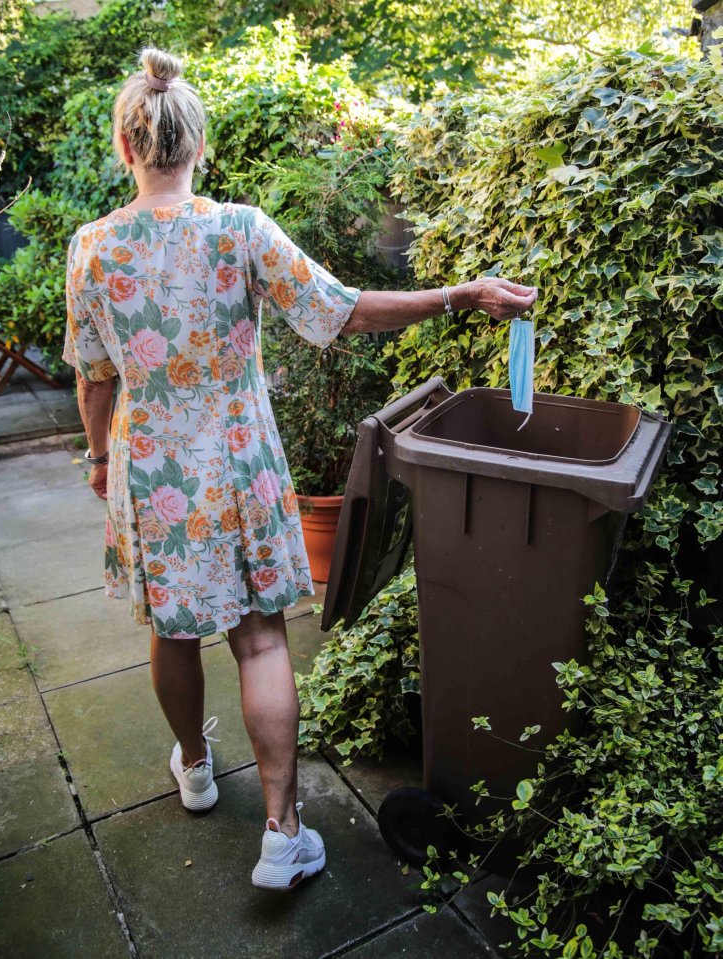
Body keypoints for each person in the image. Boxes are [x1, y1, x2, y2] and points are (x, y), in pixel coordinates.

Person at [63, 45, 538, 891]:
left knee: (171, 627)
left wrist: (101, 460)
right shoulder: (240, 229)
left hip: (152, 466)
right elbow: (345, 311)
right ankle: (283, 834)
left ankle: (197, 767)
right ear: (198, 146)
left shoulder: (92, 249)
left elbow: (94, 376)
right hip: (239, 458)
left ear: (126, 148)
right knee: (258, 636)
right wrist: (457, 294)